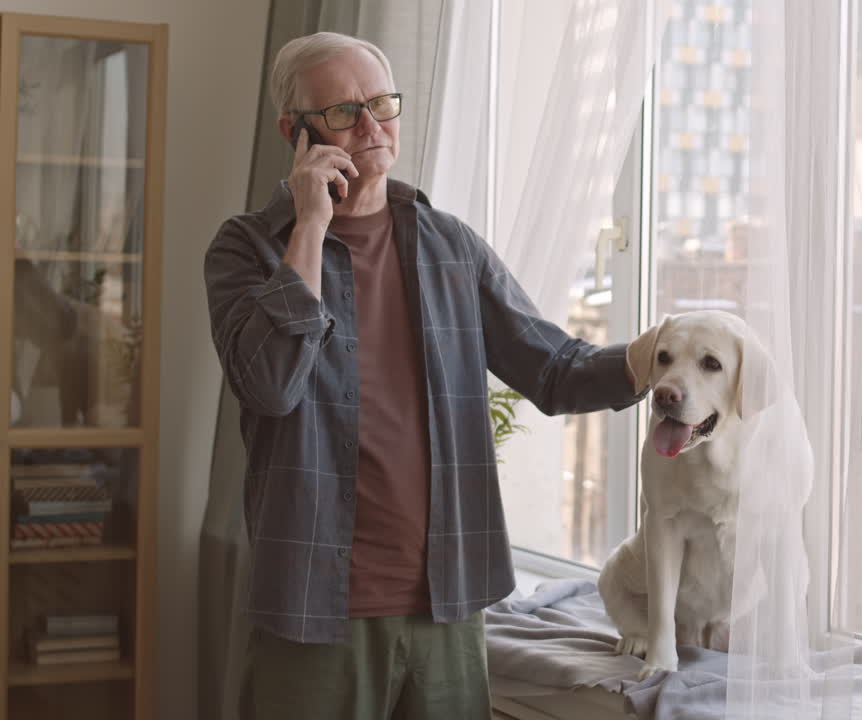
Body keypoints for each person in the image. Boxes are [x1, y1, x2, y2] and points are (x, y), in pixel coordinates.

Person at [204, 31, 644, 719]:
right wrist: (310, 228)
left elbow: (555, 372)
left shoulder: (450, 246)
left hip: (447, 605)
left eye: (383, 103)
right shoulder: (248, 248)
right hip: (314, 608)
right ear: (296, 132)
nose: (374, 126)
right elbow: (271, 384)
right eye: (346, 112)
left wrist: (660, 359)